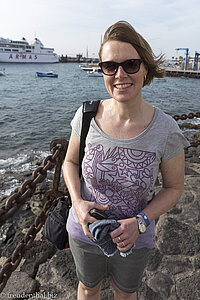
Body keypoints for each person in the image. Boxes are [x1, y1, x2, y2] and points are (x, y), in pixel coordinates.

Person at [63, 20, 190, 300]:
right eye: (110, 66)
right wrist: (78, 203)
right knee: (87, 288)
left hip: (136, 238)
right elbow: (69, 163)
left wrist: (140, 222)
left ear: (145, 68)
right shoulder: (86, 116)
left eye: (131, 64)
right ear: (102, 71)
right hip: (85, 232)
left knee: (125, 294)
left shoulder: (166, 130)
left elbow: (174, 188)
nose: (120, 74)